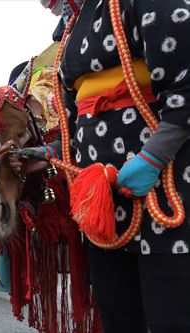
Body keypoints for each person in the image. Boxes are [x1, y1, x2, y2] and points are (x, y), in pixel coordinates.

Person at [11, 1, 190, 332]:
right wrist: (50, 153)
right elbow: (78, 125)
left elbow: (186, 81)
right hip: (103, 208)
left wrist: (153, 156)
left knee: (172, 319)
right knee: (117, 317)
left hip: (166, 193)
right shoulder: (71, 29)